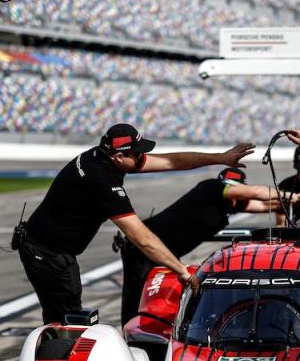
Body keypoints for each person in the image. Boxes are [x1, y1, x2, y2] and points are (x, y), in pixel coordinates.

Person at [19, 123, 253, 324]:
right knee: (66, 322)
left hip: (53, 250)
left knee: (66, 317)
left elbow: (171, 162)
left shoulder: (104, 156)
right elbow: (142, 237)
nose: (143, 158)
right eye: (138, 154)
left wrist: (220, 158)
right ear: (119, 156)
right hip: (47, 253)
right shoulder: (100, 179)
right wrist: (180, 270)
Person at [119, 166, 300, 324]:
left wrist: (296, 200)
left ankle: (153, 330)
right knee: (137, 297)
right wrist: (289, 194)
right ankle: (130, 338)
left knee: (167, 296)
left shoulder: (229, 204)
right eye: (235, 190)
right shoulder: (213, 188)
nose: (236, 198)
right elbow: (257, 193)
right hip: (145, 245)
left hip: (166, 250)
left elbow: (263, 206)